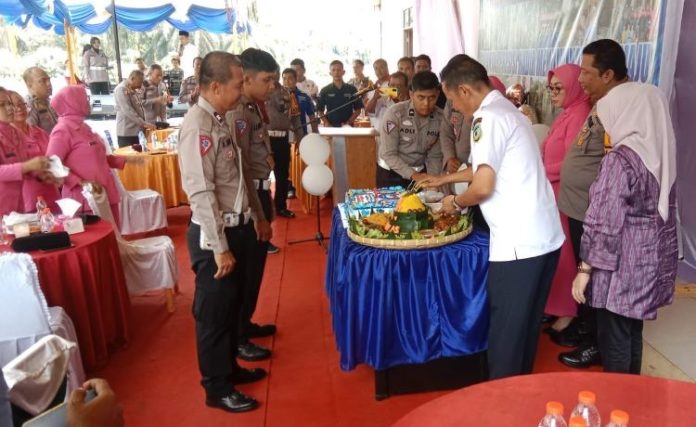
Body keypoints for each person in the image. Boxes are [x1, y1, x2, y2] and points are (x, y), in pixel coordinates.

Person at [421, 54, 564, 379]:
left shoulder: (486, 119)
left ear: (466, 91)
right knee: (525, 330)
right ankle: (519, 397)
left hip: (518, 245)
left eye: (454, 100)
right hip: (544, 240)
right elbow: (490, 166)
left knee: (505, 337)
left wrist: (453, 203)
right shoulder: (509, 112)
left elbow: (483, 185)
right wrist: (444, 180)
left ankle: (500, 405)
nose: (455, 108)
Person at [178, 51, 270, 413]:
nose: (240, 90)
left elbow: (239, 179)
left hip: (237, 227)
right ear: (214, 86)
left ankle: (230, 368)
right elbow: (200, 191)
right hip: (214, 236)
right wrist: (219, 247)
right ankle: (216, 387)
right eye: (236, 85)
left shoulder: (220, 119)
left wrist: (257, 216)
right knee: (214, 315)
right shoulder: (198, 126)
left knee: (232, 307)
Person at [572, 82, 677, 374]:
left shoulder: (620, 160)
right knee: (631, 333)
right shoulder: (660, 155)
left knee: (614, 338)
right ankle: (632, 399)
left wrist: (584, 271)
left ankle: (618, 406)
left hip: (620, 267)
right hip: (647, 264)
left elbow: (604, 222)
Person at [557, 39, 629, 369]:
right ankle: (585, 331)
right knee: (583, 279)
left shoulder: (620, 108)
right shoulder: (600, 103)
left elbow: (614, 165)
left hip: (593, 212)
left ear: (608, 74)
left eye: (586, 71)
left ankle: (593, 344)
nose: (581, 78)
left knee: (595, 280)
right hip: (576, 208)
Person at [226, 48, 279, 364]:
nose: (271, 86)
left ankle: (245, 324)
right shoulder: (238, 113)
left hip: (261, 191)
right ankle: (238, 336)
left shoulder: (253, 107)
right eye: (267, 80)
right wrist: (257, 214)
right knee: (245, 273)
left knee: (255, 269)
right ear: (246, 78)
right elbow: (240, 168)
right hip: (250, 197)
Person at [540, 64, 592, 346]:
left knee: (567, 254)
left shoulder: (581, 114)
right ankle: (557, 306)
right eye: (551, 88)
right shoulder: (568, 113)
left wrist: (543, 173)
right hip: (554, 191)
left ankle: (569, 312)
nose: (553, 93)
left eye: (559, 87)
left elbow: (574, 161)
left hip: (566, 193)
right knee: (558, 252)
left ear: (575, 86)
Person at [46, 85, 132, 228]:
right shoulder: (62, 130)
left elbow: (98, 158)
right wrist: (80, 182)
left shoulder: (84, 127)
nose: (88, 101)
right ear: (73, 102)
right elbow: (50, 163)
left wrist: (126, 160)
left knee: (114, 239)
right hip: (85, 199)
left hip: (103, 192)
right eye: (84, 98)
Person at [377, 71, 444, 188]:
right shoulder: (395, 114)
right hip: (391, 173)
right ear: (411, 94)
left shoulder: (440, 118)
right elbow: (388, 154)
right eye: (421, 97)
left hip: (420, 173)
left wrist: (434, 183)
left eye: (432, 98)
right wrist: (414, 175)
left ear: (438, 94)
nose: (426, 103)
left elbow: (435, 156)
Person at [0, 87, 52, 216]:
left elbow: (24, 164)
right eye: (2, 105)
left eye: (9, 103)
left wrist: (40, 174)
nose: (10, 108)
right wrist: (28, 166)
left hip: (17, 204)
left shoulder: (15, 133)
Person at [8, 91, 60, 212]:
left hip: (52, 191)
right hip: (27, 196)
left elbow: (53, 156)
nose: (19, 108)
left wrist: (57, 172)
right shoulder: (7, 138)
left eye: (22, 104)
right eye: (13, 105)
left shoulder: (39, 131)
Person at [268, 73, 304, 219]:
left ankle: (280, 207)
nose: (275, 78)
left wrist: (300, 139)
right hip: (265, 139)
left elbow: (296, 119)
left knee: (282, 175)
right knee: (262, 175)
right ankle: (264, 208)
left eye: (276, 74)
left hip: (283, 139)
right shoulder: (262, 92)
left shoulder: (288, 93)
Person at [114, 70, 155, 147]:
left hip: (136, 131)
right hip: (127, 133)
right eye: (139, 82)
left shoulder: (131, 88)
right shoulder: (121, 89)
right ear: (132, 78)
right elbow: (128, 111)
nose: (140, 86)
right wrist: (144, 124)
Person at [316, 60, 363, 127]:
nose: (336, 73)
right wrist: (327, 123)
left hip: (348, 127)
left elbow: (358, 109)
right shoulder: (325, 90)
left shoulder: (352, 89)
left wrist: (348, 123)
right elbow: (320, 110)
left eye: (339, 70)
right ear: (330, 73)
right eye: (333, 70)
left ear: (343, 72)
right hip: (330, 127)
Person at [282, 67, 318, 135]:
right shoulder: (277, 97)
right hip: (284, 136)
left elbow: (312, 116)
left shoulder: (304, 97)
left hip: (301, 134)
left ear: (296, 80)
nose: (287, 81)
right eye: (284, 79)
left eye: (290, 78)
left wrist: (315, 134)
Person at [22, 67, 58, 134]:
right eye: (43, 81)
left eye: (49, 80)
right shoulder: (27, 106)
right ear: (29, 85)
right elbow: (32, 135)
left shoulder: (48, 101)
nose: (49, 84)